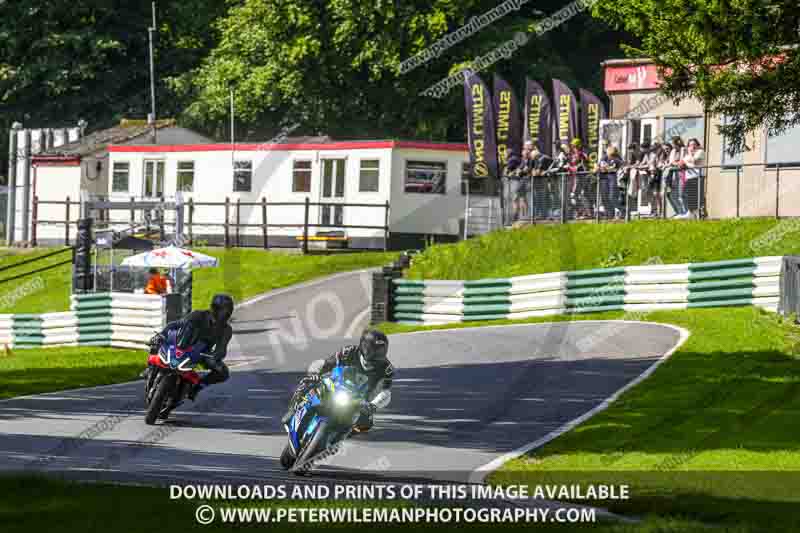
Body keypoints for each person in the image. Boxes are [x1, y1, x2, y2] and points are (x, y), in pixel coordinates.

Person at [281, 329, 394, 433]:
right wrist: (315, 374)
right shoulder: (348, 352)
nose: (377, 354)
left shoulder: (386, 368)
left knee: (365, 425)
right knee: (308, 383)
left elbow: (386, 393)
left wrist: (373, 405)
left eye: (380, 351)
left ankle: (337, 439)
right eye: (374, 350)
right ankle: (292, 410)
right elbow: (326, 364)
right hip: (336, 385)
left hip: (360, 400)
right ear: (364, 346)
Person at [147, 293, 235, 401]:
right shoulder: (198, 315)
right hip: (183, 343)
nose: (223, 313)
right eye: (221, 310)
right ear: (213, 308)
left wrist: (215, 356)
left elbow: (222, 348)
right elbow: (177, 324)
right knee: (156, 342)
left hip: (201, 353)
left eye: (226, 311)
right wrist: (162, 334)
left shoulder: (227, 330)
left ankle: (198, 387)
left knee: (223, 373)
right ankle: (150, 370)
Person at [680, 138, 706, 219]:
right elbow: (681, 163)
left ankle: (699, 214)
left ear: (698, 145)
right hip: (689, 177)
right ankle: (691, 213)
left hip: (698, 176)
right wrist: (685, 158)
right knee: (688, 196)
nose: (692, 146)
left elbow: (695, 161)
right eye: (690, 145)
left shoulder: (700, 152)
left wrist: (688, 160)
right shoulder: (687, 155)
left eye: (694, 144)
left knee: (697, 197)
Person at [598, 145, 623, 219]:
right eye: (610, 155)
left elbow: (619, 166)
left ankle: (623, 210)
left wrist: (607, 168)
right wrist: (606, 168)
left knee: (612, 197)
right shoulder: (604, 157)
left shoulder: (617, 158)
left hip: (613, 179)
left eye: (613, 155)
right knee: (604, 197)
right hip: (604, 178)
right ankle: (609, 214)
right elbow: (602, 167)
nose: (611, 156)